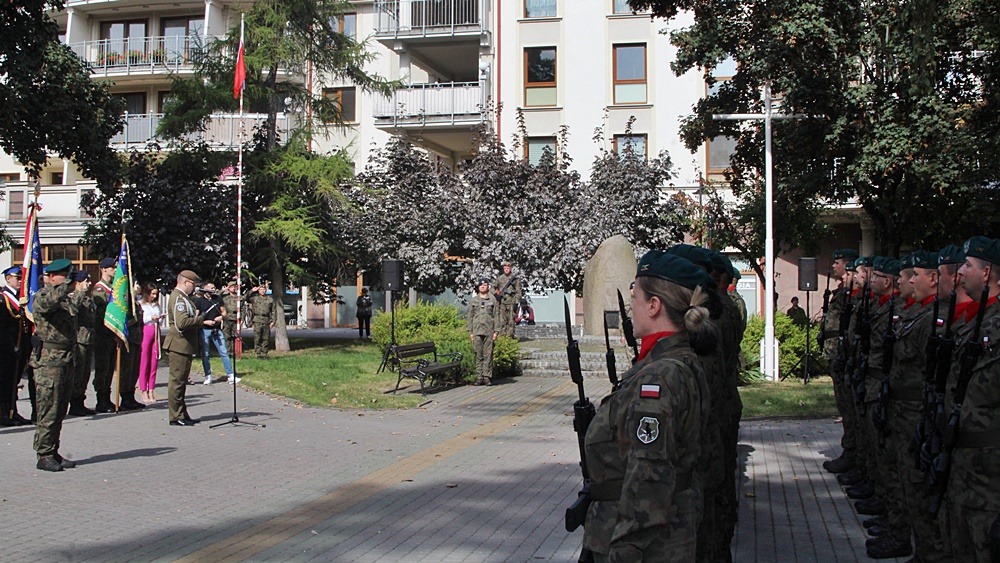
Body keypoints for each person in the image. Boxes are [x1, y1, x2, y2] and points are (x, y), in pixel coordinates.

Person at [583, 250, 714, 560]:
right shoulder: (675, 362)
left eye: (636, 298)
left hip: (643, 544)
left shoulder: (660, 376)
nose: (632, 307)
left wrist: (626, 550)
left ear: (654, 306)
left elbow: (648, 474)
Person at [31, 259, 84, 471]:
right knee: (49, 408)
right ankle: (43, 454)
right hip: (49, 361)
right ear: (52, 277)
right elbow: (49, 303)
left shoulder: (64, 300)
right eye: (64, 275)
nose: (68, 279)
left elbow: (75, 311)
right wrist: (65, 286)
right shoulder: (44, 295)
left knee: (60, 408)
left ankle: (53, 450)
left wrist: (77, 291)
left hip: (66, 358)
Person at [162, 270, 218, 426]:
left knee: (181, 382)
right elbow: (182, 323)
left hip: (184, 345)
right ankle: (176, 416)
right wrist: (200, 320)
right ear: (185, 282)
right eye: (193, 284)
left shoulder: (184, 298)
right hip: (179, 344)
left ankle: (182, 413)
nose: (194, 288)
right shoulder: (178, 298)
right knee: (177, 382)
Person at [1, 266, 32, 426]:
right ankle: (3, 413)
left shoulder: (21, 298)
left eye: (21, 278)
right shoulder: (3, 299)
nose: (20, 281)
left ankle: (13, 410)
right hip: (7, 350)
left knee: (15, 380)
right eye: (17, 278)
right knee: (5, 381)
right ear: (8, 279)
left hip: (21, 347)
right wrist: (11, 346)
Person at [67, 270, 96, 417]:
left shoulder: (88, 298)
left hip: (88, 339)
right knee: (78, 373)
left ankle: (81, 401)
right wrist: (78, 292)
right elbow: (73, 311)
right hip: (79, 340)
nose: (89, 284)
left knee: (85, 373)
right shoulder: (74, 297)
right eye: (86, 281)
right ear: (77, 283)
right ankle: (75, 403)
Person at [90, 257, 117, 413]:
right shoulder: (99, 290)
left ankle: (107, 398)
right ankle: (101, 400)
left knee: (110, 368)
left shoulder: (113, 288)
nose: (114, 270)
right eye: (112, 268)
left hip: (111, 335)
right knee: (102, 368)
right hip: (103, 334)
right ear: (104, 269)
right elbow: (103, 313)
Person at [195, 283, 235, 384]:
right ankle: (208, 376)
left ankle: (230, 375)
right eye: (211, 288)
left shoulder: (217, 299)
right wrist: (205, 322)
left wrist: (221, 317)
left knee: (224, 352)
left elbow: (224, 312)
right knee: (206, 353)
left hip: (217, 329)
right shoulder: (199, 301)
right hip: (204, 329)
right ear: (205, 289)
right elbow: (196, 317)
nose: (214, 289)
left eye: (214, 287)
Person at [466, 279, 499, 386]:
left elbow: (497, 316)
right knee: (478, 354)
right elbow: (470, 317)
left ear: (488, 287)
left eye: (485, 285)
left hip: (489, 331)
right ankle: (479, 377)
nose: (483, 287)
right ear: (478, 287)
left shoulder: (492, 299)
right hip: (476, 331)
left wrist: (496, 331)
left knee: (488, 355)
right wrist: (470, 332)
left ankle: (487, 377)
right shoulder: (474, 300)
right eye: (481, 285)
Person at [138, 282, 162, 403]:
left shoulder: (156, 305)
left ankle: (151, 389)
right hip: (146, 330)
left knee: (154, 362)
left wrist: (159, 318)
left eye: (155, 294)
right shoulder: (142, 305)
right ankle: (143, 390)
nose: (154, 296)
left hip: (156, 331)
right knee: (145, 362)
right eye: (152, 294)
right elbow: (142, 319)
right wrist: (150, 318)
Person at [492, 261, 522, 337]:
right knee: (502, 321)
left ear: (510, 268)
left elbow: (519, 292)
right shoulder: (500, 278)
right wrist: (496, 294)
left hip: (511, 303)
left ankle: (510, 338)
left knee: (511, 322)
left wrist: (516, 303)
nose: (506, 270)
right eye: (505, 268)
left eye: (507, 268)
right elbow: (492, 288)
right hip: (502, 303)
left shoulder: (515, 279)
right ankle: (503, 338)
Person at [246, 284, 274, 359]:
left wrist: (273, 321)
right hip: (257, 319)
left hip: (266, 320)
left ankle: (264, 353)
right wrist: (252, 291)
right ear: (258, 290)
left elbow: (274, 311)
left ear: (266, 290)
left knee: (265, 338)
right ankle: (258, 353)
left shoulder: (270, 299)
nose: (262, 291)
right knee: (257, 337)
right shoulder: (255, 298)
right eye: (261, 289)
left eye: (264, 289)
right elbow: (246, 298)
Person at [221, 280, 239, 356]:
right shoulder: (225, 298)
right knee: (227, 336)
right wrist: (223, 290)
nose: (233, 288)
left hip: (235, 319)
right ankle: (229, 352)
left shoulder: (238, 298)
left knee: (235, 336)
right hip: (227, 319)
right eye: (231, 287)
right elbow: (216, 296)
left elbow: (243, 309)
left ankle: (235, 352)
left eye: (234, 287)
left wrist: (241, 319)